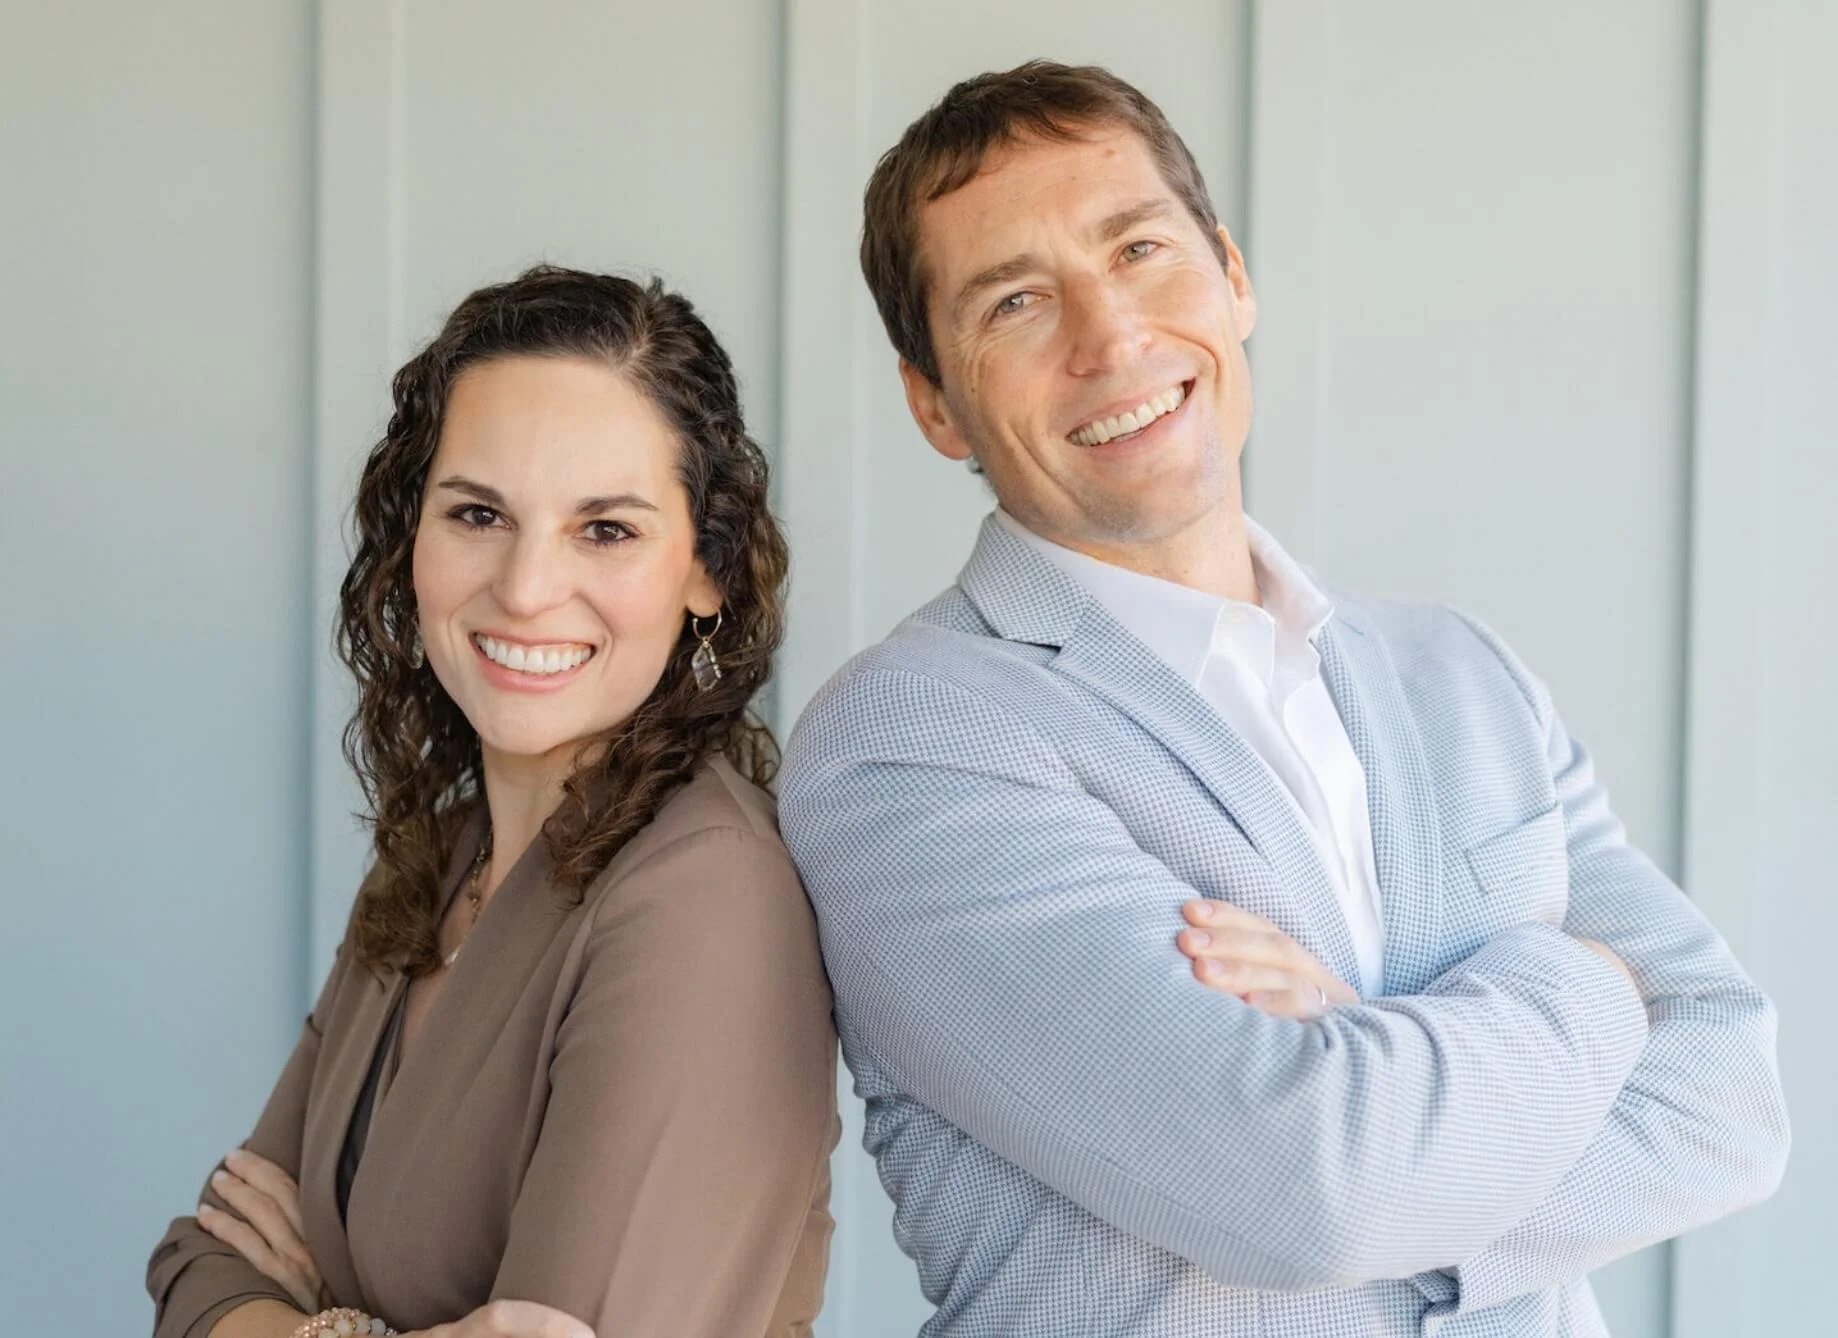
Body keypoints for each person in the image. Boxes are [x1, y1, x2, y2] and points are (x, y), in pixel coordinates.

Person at [778, 61, 1788, 1337]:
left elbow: (1727, 1099)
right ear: (935, 405)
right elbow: (1309, 1192)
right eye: (1017, 301)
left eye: (1139, 249)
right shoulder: (909, 745)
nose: (1109, 337)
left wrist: (1370, 1071)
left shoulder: (1460, 676)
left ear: (1232, 277)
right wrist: (1584, 984)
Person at [147, 266, 839, 1338]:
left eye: (604, 530)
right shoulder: (438, 858)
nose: (523, 589)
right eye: (477, 513)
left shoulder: (703, 900)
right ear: (408, 536)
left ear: (705, 569)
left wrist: (314, 1312)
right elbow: (198, 1262)